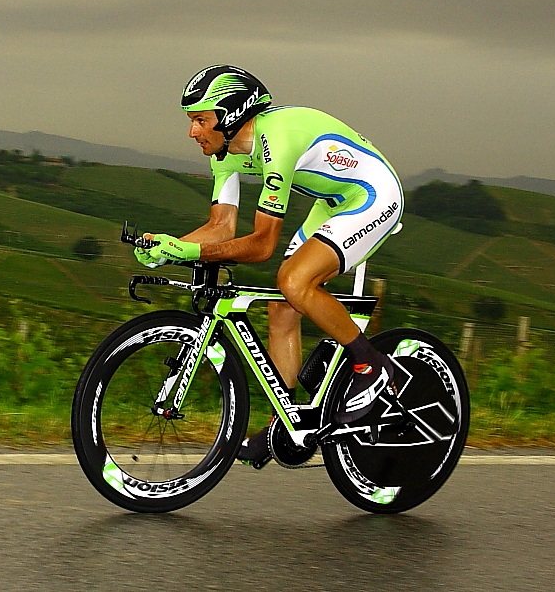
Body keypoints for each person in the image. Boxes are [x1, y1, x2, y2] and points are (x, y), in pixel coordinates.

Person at [136, 65, 404, 463]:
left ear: (230, 116)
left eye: (200, 120)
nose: (192, 132)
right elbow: (220, 227)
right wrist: (169, 247)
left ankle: (373, 367)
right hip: (333, 202)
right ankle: (288, 425)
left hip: (374, 195)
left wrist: (191, 253)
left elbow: (262, 245)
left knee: (293, 281)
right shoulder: (224, 154)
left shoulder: (276, 139)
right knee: (282, 306)